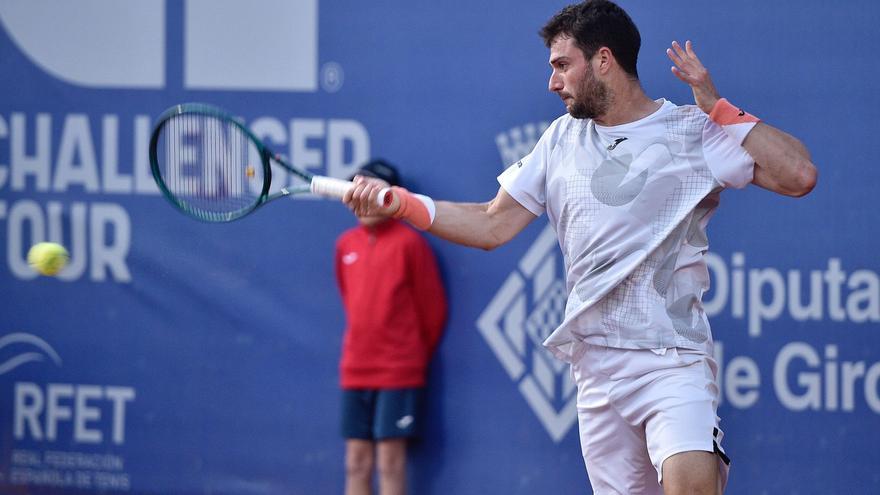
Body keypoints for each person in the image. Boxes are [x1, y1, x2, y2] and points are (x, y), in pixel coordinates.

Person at [343, 1, 817, 494]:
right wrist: (402, 204)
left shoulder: (692, 131)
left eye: (562, 65)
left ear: (604, 61)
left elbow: (799, 175)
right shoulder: (560, 140)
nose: (553, 82)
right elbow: (492, 224)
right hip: (596, 372)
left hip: (671, 359)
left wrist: (717, 108)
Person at [335, 159, 448, 495]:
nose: (361, 200)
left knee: (389, 462)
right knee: (355, 462)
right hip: (355, 368)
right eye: (356, 192)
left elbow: (432, 311)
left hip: (399, 371)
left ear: (390, 198)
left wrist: (406, 356)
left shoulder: (410, 244)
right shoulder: (345, 245)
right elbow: (348, 298)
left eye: (370, 192)